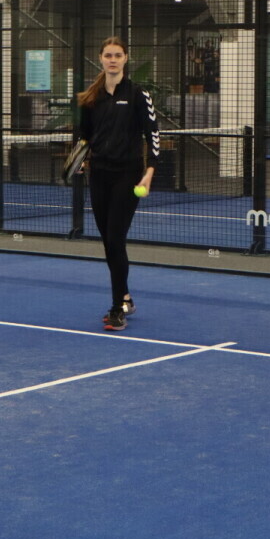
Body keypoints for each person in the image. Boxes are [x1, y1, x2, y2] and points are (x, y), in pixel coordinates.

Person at [77, 37, 159, 332]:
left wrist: (149, 172)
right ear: (100, 58)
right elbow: (84, 137)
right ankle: (125, 297)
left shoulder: (138, 94)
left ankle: (116, 309)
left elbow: (153, 135)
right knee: (109, 242)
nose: (113, 60)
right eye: (108, 55)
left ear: (126, 59)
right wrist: (79, 161)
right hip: (99, 174)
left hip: (128, 175)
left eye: (118, 55)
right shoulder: (91, 98)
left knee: (115, 238)